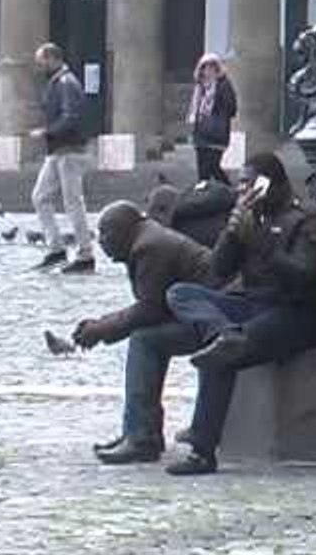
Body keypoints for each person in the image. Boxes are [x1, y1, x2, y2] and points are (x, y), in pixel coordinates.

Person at [165, 152, 316, 475]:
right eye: (240, 185)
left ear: (273, 184)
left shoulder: (309, 218)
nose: (243, 192)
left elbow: (305, 276)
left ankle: (202, 450)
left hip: (293, 311)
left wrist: (262, 242)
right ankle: (224, 333)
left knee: (223, 354)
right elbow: (217, 270)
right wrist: (232, 232)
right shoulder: (249, 217)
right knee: (180, 294)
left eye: (250, 184)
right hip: (250, 304)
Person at [72, 198, 215, 464]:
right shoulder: (148, 239)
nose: (101, 241)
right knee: (147, 338)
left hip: (214, 322)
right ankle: (138, 431)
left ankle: (141, 437)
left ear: (126, 229)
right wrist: (102, 324)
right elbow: (155, 306)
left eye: (106, 233)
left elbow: (150, 309)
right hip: (205, 313)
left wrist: (101, 328)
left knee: (145, 340)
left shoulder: (149, 247)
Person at [30, 42, 95, 274]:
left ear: (53, 59)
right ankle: (56, 249)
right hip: (57, 151)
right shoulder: (58, 82)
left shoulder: (67, 83)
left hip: (70, 150)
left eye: (42, 62)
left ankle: (86, 254)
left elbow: (71, 117)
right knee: (40, 197)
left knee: (73, 202)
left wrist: (46, 132)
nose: (40, 67)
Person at [188, 53, 237, 185]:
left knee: (213, 166)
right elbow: (196, 110)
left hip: (217, 135)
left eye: (212, 67)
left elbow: (232, 109)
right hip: (201, 134)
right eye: (205, 67)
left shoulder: (223, 85)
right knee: (203, 171)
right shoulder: (200, 88)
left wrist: (220, 107)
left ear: (217, 69)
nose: (208, 71)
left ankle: (228, 189)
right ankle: (203, 190)